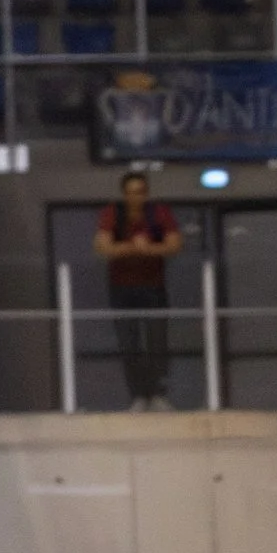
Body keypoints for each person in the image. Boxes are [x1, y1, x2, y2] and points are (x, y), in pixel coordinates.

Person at [96, 166, 183, 412]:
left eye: (141, 192)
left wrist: (149, 249)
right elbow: (103, 247)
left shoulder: (159, 213)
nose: (137, 197)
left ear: (147, 193)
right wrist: (132, 247)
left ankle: (158, 393)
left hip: (153, 286)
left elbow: (175, 245)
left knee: (157, 341)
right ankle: (138, 395)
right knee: (129, 343)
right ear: (124, 194)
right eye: (132, 192)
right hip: (121, 288)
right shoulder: (113, 214)